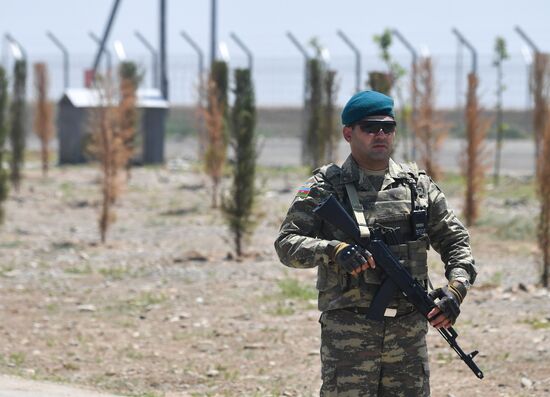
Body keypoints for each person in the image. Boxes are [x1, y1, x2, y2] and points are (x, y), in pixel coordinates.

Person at [274, 90, 477, 396]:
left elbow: (456, 241)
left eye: (388, 127)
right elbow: (286, 245)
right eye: (370, 127)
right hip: (349, 336)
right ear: (348, 133)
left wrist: (456, 289)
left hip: (407, 334)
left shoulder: (417, 186)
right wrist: (333, 250)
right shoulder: (324, 187)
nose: (380, 134)